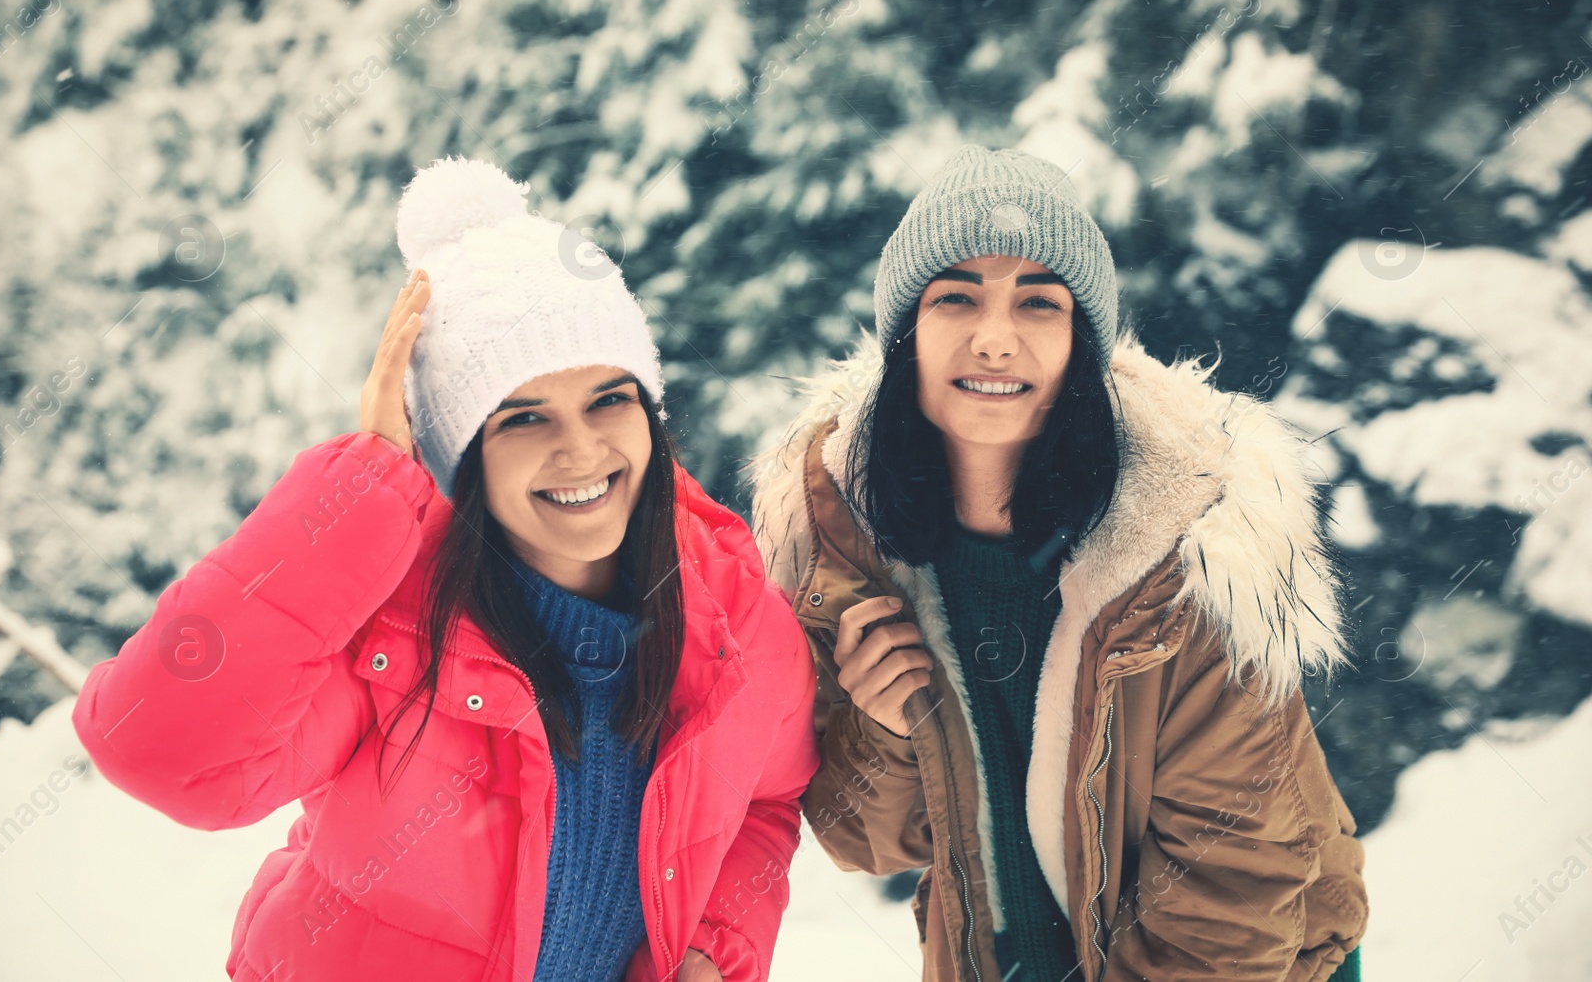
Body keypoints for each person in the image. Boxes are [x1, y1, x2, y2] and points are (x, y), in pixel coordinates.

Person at [72, 156, 818, 982]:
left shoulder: (737, 624)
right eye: (523, 417)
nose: (581, 449)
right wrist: (361, 486)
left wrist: (718, 944)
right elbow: (156, 748)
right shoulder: (392, 631)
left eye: (610, 398)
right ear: (463, 459)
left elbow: (767, 800)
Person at [748, 145, 1368, 981]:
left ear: (1082, 342)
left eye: (1038, 303)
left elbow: (1231, 902)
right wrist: (890, 728)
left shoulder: (1189, 557)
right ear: (906, 338)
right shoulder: (850, 550)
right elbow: (870, 842)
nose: (994, 339)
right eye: (955, 297)